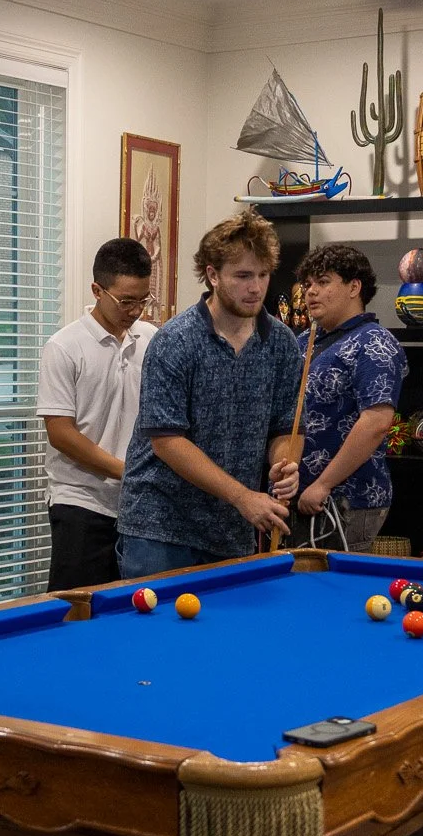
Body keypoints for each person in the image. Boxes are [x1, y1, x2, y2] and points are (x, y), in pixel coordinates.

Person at [116, 209, 303, 579]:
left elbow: (287, 426)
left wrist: (286, 464)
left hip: (231, 530)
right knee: (158, 637)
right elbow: (167, 441)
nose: (256, 287)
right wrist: (243, 497)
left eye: (263, 275)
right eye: (243, 276)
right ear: (213, 275)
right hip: (161, 528)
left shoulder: (281, 342)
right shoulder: (176, 341)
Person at [37, 238, 158, 591]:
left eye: (142, 300)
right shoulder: (64, 347)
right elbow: (61, 432)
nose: (135, 310)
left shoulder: (152, 339)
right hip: (80, 502)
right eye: (126, 301)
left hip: (138, 505)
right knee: (76, 611)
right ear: (97, 290)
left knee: (134, 612)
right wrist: (127, 471)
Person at [288, 243, 406, 550]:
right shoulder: (304, 341)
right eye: (308, 284)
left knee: (334, 593)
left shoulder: (375, 343)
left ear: (354, 287)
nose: (310, 292)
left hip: (345, 498)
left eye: (323, 282)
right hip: (299, 495)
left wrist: (323, 484)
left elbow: (377, 422)